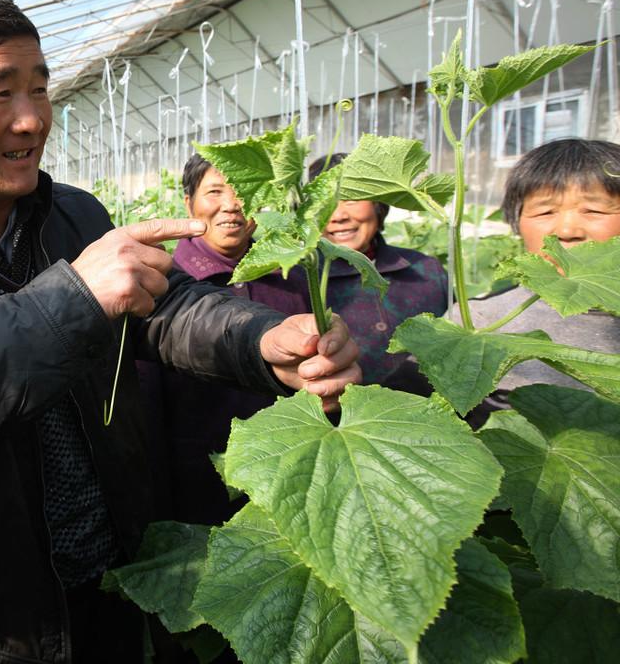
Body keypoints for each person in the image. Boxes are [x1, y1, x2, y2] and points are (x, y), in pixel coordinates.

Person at [0, 0, 360, 663]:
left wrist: (261, 341)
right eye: (1, 92)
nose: (30, 119)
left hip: (114, 577)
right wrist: (71, 299)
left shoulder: (72, 215)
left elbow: (171, 305)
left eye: (40, 89)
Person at [141, 154, 311, 526]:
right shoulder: (163, 283)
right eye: (214, 191)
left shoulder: (291, 277)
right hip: (197, 479)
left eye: (243, 193)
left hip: (288, 471)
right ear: (188, 203)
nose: (231, 205)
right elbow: (148, 407)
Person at [467, 138, 620, 407]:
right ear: (517, 222)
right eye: (545, 212)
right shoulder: (476, 321)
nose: (568, 231)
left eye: (593, 210)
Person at [309, 153, 448, 392]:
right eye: (325, 202)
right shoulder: (299, 280)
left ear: (378, 204)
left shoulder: (426, 270)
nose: (338, 216)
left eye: (351, 198)